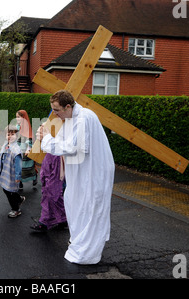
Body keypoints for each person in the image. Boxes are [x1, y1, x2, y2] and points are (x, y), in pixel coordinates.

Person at [36, 90, 115, 265]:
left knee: (91, 209)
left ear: (68, 106)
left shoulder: (83, 118)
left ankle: (88, 253)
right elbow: (63, 140)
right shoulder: (70, 119)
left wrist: (47, 139)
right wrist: (45, 136)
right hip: (81, 174)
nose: (55, 114)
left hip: (94, 173)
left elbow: (74, 147)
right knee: (75, 204)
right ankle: (79, 241)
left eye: (57, 110)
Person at [0, 125, 25, 218]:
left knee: (9, 191)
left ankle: (16, 209)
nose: (10, 136)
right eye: (8, 134)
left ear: (16, 136)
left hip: (11, 174)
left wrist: (18, 176)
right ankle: (19, 198)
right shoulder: (6, 145)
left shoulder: (16, 150)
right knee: (6, 190)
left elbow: (18, 164)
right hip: (5, 172)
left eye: (12, 134)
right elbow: (0, 155)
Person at [30, 153, 67, 232]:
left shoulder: (56, 154)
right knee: (53, 196)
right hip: (52, 160)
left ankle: (44, 222)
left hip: (54, 162)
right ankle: (62, 219)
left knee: (51, 196)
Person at [15, 110, 38, 190]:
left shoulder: (27, 127)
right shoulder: (17, 126)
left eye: (19, 117)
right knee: (18, 166)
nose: (17, 119)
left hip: (25, 150)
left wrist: (28, 149)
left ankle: (34, 177)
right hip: (18, 149)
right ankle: (20, 181)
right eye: (16, 117)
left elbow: (29, 138)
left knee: (28, 167)